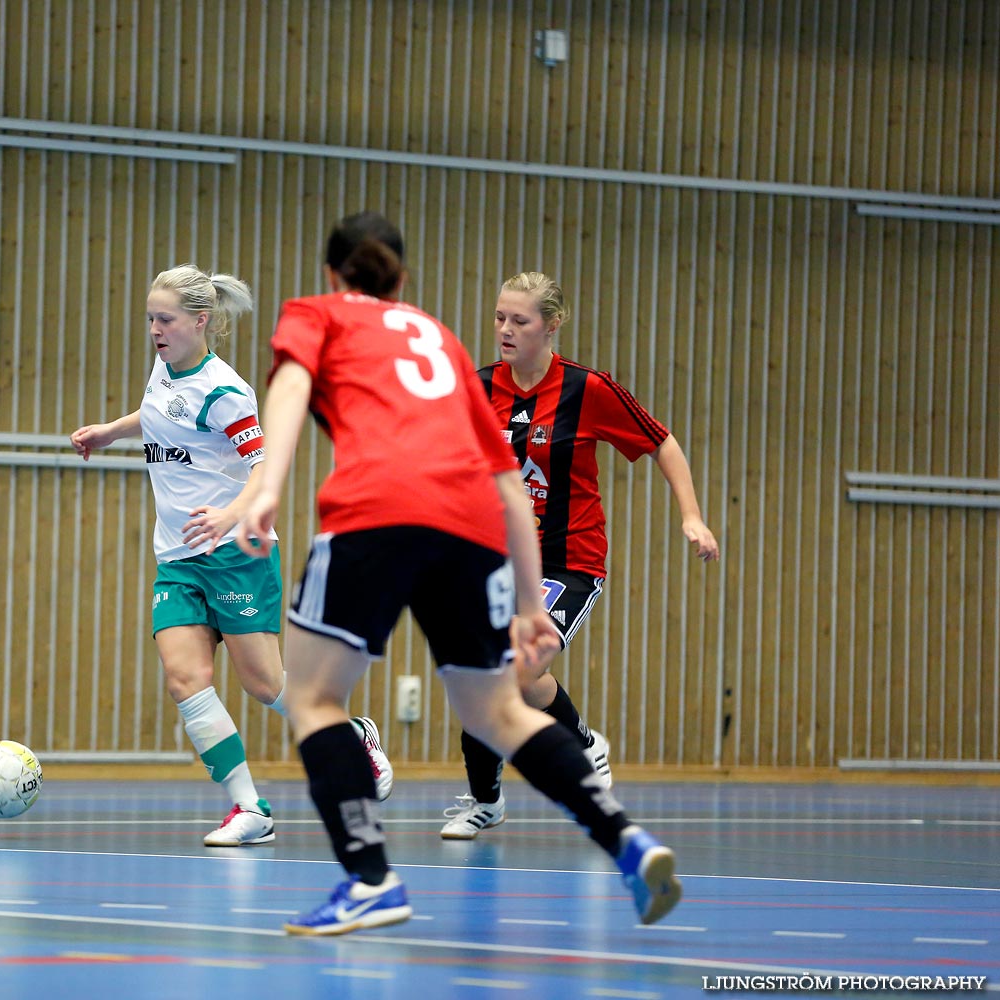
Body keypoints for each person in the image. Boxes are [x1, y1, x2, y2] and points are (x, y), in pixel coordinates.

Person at [236, 213, 682, 935]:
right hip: (472, 529)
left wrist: (266, 487)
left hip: (376, 511)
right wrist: (531, 598)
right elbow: (506, 479)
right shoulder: (439, 342)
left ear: (331, 275)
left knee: (315, 699)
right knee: (500, 711)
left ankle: (369, 877)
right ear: (403, 281)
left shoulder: (316, 316)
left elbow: (288, 389)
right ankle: (626, 841)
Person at [70, 264, 392, 848]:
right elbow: (161, 416)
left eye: (165, 320)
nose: (155, 330)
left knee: (265, 685)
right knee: (184, 678)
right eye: (150, 319)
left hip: (235, 552)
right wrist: (110, 432)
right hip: (178, 556)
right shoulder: (165, 369)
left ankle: (354, 736)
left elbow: (264, 467)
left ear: (202, 322)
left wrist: (229, 514)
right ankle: (251, 808)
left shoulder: (226, 392)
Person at [439, 271, 722, 840]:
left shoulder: (586, 389)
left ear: (552, 325)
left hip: (570, 559)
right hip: (499, 560)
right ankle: (524, 778)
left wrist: (691, 515)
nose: (505, 329)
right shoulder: (479, 387)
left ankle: (497, 788)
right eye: (500, 317)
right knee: (488, 674)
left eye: (520, 320)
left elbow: (661, 441)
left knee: (507, 670)